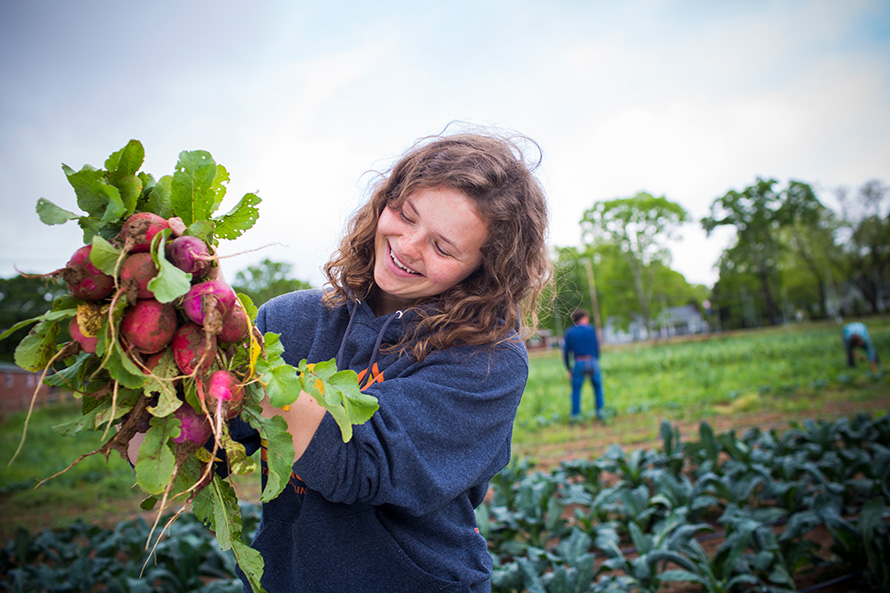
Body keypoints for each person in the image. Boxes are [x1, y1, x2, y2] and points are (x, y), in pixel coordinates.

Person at [228, 129, 552, 593]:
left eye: (442, 247)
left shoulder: (487, 362)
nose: (407, 245)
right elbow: (200, 450)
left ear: (483, 269)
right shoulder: (289, 320)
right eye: (405, 214)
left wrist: (236, 355)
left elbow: (354, 463)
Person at [562, 309, 604, 422]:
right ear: (584, 318)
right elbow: (597, 346)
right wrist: (596, 359)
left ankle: (575, 416)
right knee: (597, 388)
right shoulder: (591, 329)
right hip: (592, 361)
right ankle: (600, 413)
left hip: (579, 362)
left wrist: (568, 368)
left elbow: (566, 352)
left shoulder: (570, 332)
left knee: (576, 390)